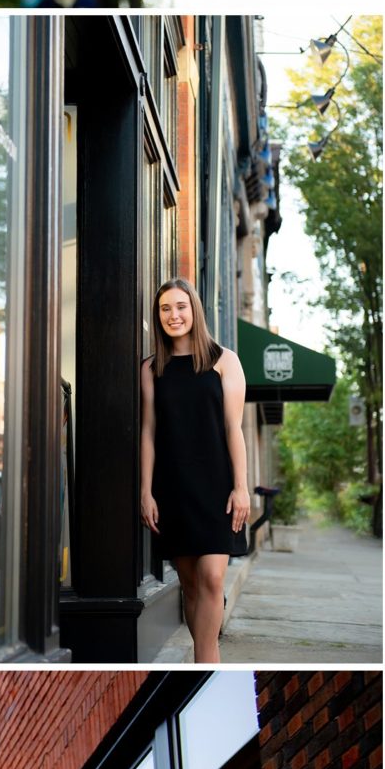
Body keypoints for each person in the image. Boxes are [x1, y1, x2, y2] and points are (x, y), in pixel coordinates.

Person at [139, 277, 250, 662]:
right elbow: (148, 432)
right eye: (165, 309)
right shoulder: (151, 368)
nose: (174, 315)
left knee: (213, 576)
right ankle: (202, 651)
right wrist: (146, 491)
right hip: (173, 487)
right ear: (158, 317)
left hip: (217, 485)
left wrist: (241, 487)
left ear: (194, 310)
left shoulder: (224, 360)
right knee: (187, 582)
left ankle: (207, 655)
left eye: (180, 306)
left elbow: (233, 428)